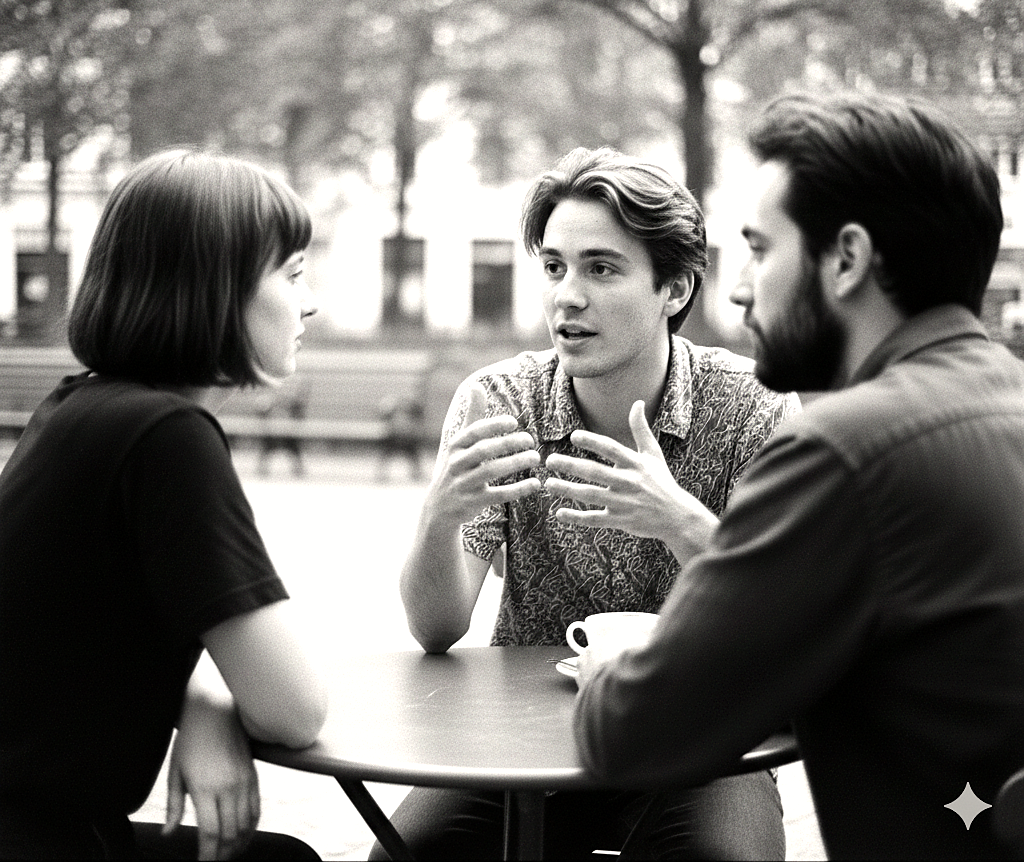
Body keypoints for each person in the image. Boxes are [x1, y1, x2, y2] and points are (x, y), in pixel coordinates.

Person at [572, 92, 1024, 860]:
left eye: (759, 250)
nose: (741, 288)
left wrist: (611, 665)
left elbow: (629, 736)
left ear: (845, 259)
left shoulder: (843, 453)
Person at [377, 147, 799, 860]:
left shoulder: (752, 408)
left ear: (674, 288)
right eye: (554, 267)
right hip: (524, 739)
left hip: (704, 740)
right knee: (407, 852)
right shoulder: (499, 401)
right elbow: (438, 628)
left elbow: (789, 624)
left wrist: (682, 522)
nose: (567, 295)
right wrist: (439, 517)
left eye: (601, 268)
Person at [0, 150, 329, 860]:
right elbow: (296, 710)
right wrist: (212, 696)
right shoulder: (166, 438)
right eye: (293, 274)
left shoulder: (80, 406)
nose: (309, 302)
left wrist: (203, 698)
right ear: (217, 288)